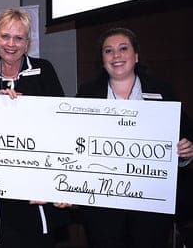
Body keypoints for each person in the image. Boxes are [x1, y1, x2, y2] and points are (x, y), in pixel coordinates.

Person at [76, 27, 193, 248]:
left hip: (151, 207)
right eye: (108, 51)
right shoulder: (86, 94)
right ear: (102, 59)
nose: (116, 55)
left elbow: (185, 137)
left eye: (123, 49)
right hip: (103, 207)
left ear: (136, 56)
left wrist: (186, 152)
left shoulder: (162, 91)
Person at [0, 9, 70, 248]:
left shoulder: (44, 71)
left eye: (19, 38)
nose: (11, 44)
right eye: (5, 36)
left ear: (27, 42)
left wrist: (27, 108)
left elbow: (63, 123)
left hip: (37, 195)